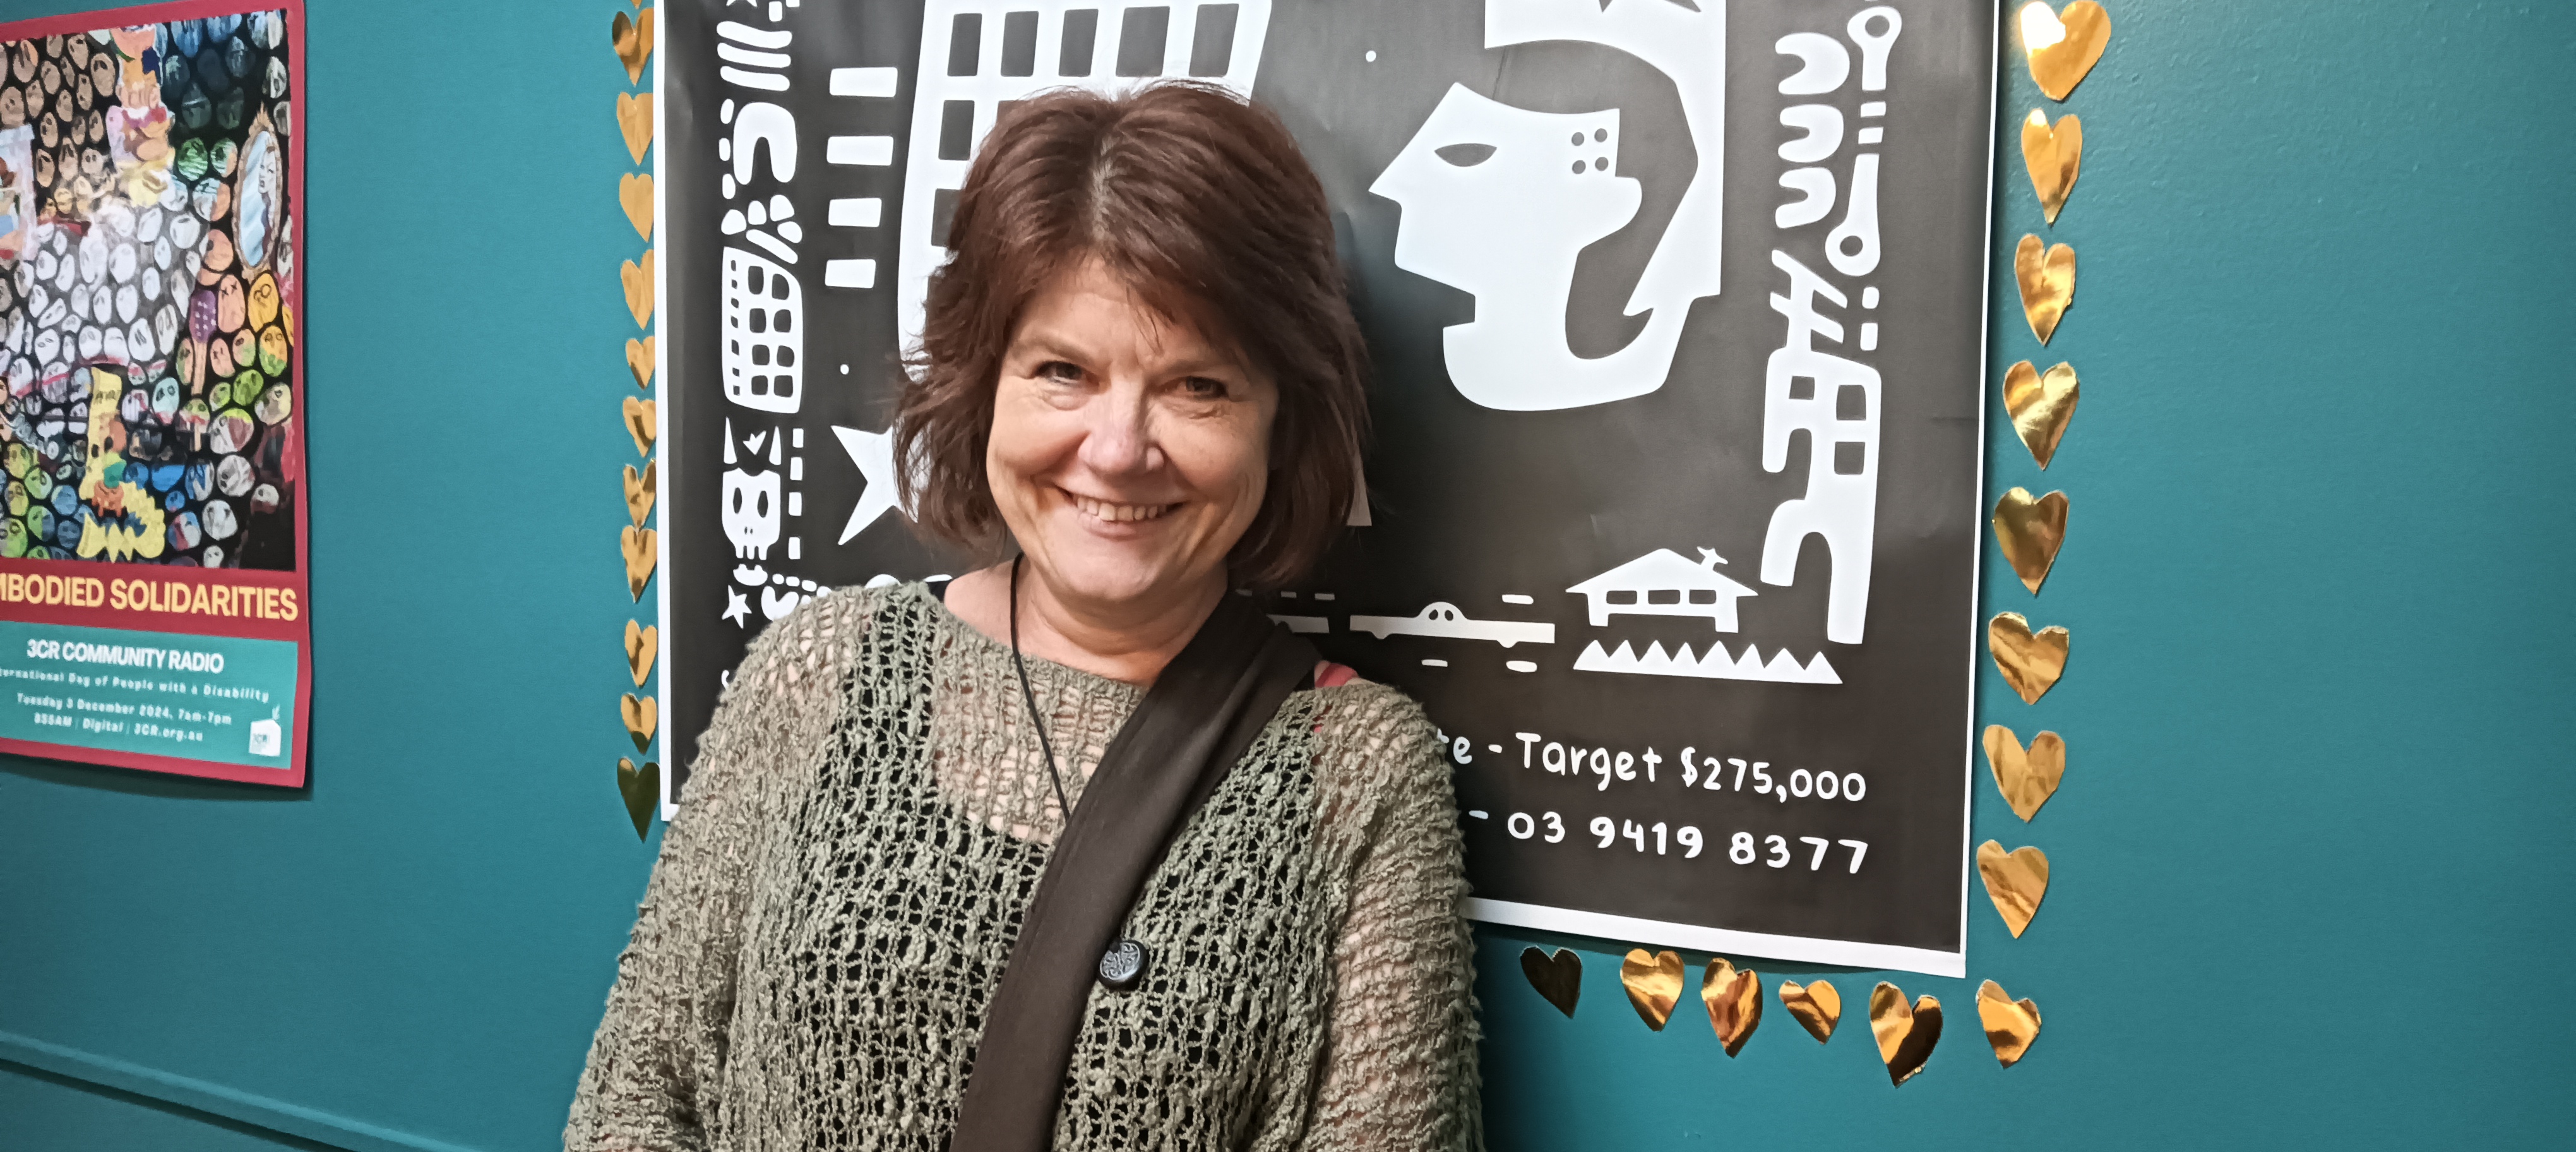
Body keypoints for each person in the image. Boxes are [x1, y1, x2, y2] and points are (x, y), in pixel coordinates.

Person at [565, 82, 1482, 1151]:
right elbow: (637, 1097)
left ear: (1282, 425)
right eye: (1063, 372)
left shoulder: (1357, 772)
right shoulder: (820, 670)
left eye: (1198, 386)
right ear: (982, 384)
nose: (1119, 449)